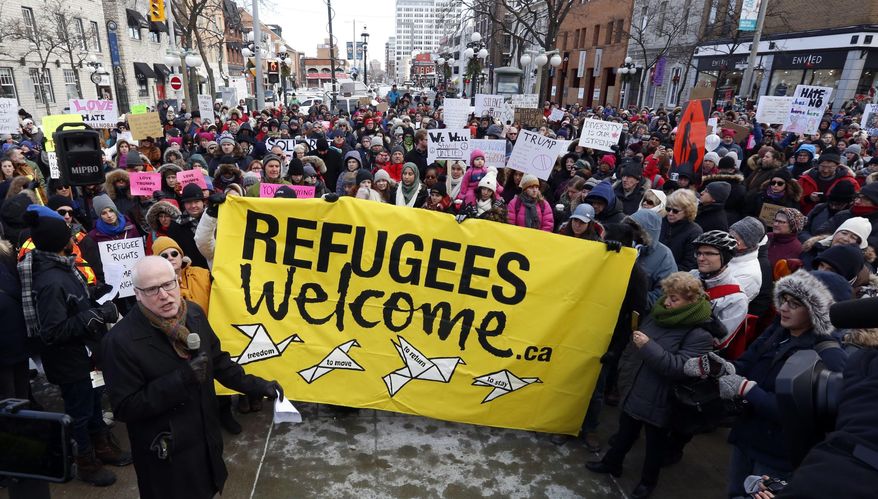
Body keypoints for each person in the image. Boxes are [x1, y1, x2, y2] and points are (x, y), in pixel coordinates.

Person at [101, 256, 283, 499]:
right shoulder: (119, 342)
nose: (164, 295)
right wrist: (181, 379)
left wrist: (257, 386)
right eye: (152, 289)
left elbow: (218, 362)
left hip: (205, 443)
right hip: (168, 460)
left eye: (168, 284)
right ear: (137, 293)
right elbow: (125, 408)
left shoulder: (194, 314)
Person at [711, 270, 850, 498]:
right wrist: (726, 369)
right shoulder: (780, 329)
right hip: (747, 436)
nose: (783, 308)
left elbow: (800, 413)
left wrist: (747, 389)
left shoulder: (828, 356)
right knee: (735, 491)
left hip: (777, 455)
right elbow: (751, 357)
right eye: (784, 299)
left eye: (794, 304)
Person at [18, 206, 130, 486]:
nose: (75, 237)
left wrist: (92, 295)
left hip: (84, 355)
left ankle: (102, 448)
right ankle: (87, 463)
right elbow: (52, 330)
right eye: (70, 234)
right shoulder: (50, 281)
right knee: (79, 413)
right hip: (69, 360)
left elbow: (71, 304)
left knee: (92, 405)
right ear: (60, 242)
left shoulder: (61, 267)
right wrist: (96, 314)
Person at [587, 272, 715, 499]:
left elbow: (680, 367)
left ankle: (648, 482)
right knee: (625, 432)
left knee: (655, 446)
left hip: (661, 399)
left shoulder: (700, 335)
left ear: (691, 300)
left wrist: (647, 346)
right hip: (636, 387)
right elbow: (633, 347)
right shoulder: (658, 315)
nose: (666, 302)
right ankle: (612, 463)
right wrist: (624, 372)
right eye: (667, 296)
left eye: (674, 299)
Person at [690, 230, 748, 350]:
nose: (701, 258)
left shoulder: (737, 299)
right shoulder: (691, 275)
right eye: (699, 253)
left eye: (709, 253)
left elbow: (719, 342)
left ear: (725, 257)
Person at [628, 209, 678, 307]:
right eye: (628, 226)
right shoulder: (622, 246)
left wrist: (632, 300)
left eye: (635, 227)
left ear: (647, 231)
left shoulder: (664, 255)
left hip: (641, 314)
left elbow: (664, 294)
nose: (630, 231)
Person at [168, 184, 209, 269]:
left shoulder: (213, 219)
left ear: (203, 202)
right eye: (189, 202)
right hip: (192, 274)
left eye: (196, 201)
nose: (193, 206)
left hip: (216, 269)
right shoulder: (176, 226)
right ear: (184, 204)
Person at [660, 189, 702, 272]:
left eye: (675, 211)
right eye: (668, 209)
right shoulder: (659, 222)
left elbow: (689, 264)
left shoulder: (694, 232)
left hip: (674, 276)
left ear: (687, 211)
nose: (670, 213)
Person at [728, 217, 766, 302]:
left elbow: (729, 302)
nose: (728, 239)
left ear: (747, 244)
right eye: (729, 235)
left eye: (734, 238)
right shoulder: (729, 253)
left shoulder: (750, 275)